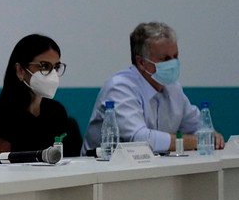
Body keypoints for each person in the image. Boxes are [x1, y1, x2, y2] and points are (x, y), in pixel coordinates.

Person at [82, 22, 224, 154]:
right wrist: (197, 141)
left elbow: (199, 128)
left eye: (175, 56)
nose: (173, 63)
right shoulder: (119, 87)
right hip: (106, 169)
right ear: (141, 62)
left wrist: (212, 136)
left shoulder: (173, 88)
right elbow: (140, 139)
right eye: (165, 59)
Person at [0, 34, 77, 159]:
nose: (52, 74)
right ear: (20, 70)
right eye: (44, 66)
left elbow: (68, 161)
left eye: (56, 67)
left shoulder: (56, 111)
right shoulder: (1, 116)